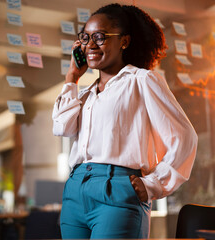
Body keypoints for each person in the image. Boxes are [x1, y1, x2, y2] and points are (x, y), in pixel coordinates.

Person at [52, 3, 198, 239]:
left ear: (124, 41)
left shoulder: (142, 80)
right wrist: (72, 77)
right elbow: (61, 128)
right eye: (85, 37)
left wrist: (153, 184)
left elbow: (184, 137)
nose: (90, 44)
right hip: (75, 192)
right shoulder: (85, 94)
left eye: (99, 37)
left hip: (118, 188)